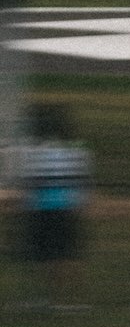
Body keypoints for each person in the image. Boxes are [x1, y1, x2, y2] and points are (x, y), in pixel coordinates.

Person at [15, 105, 93, 313]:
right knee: (67, 255)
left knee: (41, 256)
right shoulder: (77, 151)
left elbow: (30, 184)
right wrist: (81, 205)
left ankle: (44, 299)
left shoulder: (33, 152)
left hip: (42, 208)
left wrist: (24, 205)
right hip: (67, 208)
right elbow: (82, 182)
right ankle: (72, 301)